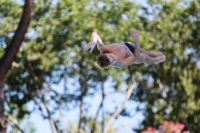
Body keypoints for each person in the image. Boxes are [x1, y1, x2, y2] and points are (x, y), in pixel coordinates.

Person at [85, 29, 165, 68]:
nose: (115, 58)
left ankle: (153, 54)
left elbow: (95, 33)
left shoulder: (103, 49)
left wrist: (94, 41)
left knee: (147, 52)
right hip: (133, 56)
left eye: (112, 56)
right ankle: (158, 60)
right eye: (113, 61)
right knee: (144, 57)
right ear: (110, 64)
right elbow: (136, 56)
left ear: (106, 53)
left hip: (126, 46)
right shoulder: (121, 63)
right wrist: (137, 40)